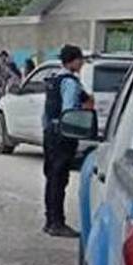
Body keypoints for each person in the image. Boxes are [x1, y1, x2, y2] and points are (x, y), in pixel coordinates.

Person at [42, 44, 94, 238]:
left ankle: (50, 220)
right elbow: (69, 110)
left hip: (50, 134)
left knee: (51, 178)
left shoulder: (54, 79)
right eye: (80, 60)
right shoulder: (71, 83)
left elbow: (46, 114)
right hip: (63, 135)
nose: (82, 64)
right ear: (73, 60)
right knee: (59, 179)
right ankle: (57, 223)